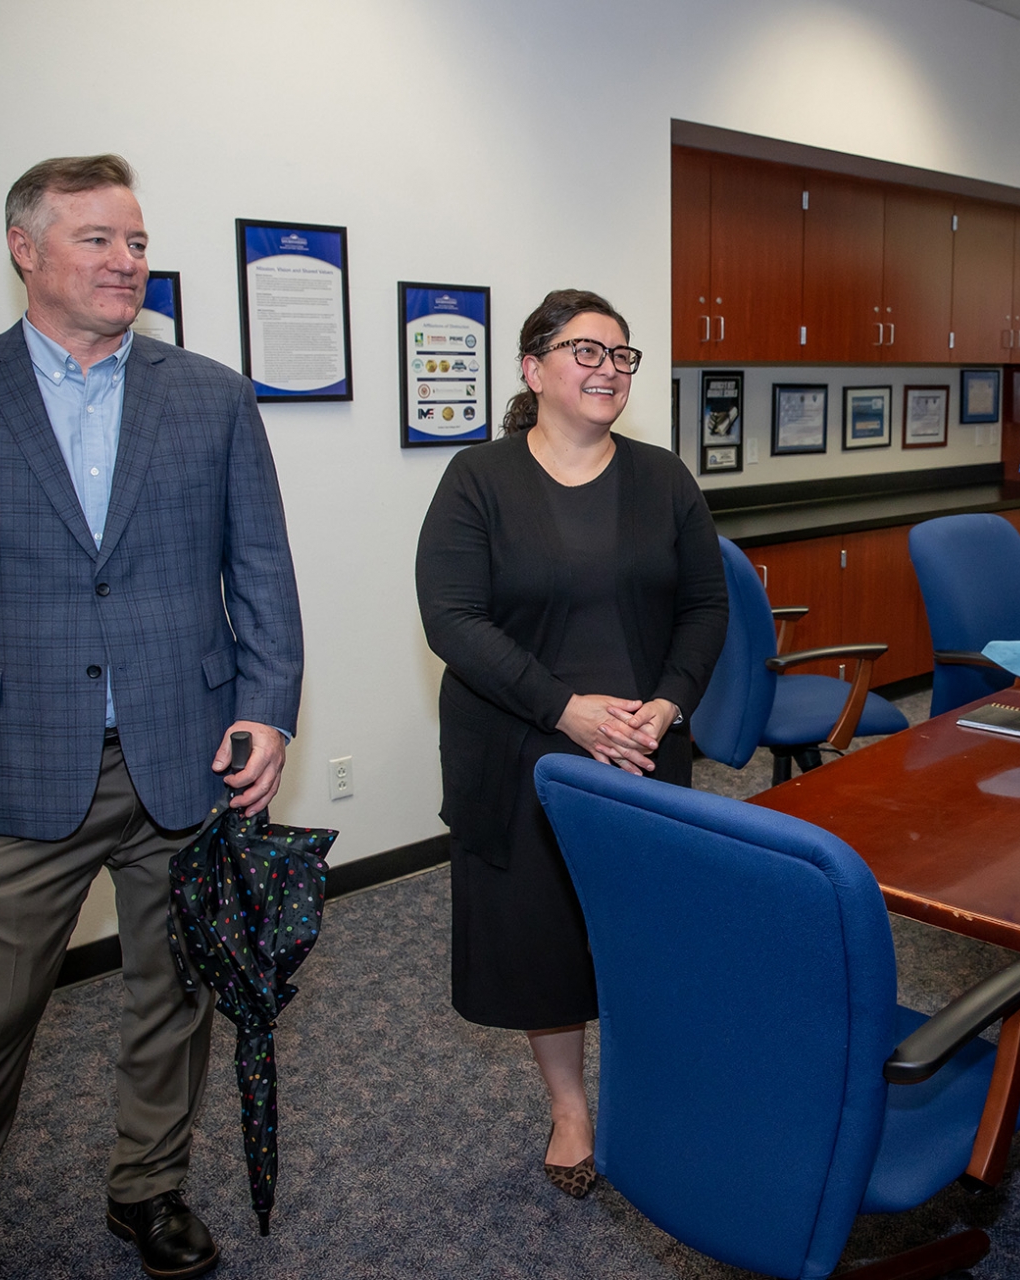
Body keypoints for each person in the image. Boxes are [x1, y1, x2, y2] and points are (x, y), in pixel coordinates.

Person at [0, 154, 304, 1280]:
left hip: (186, 750)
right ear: (27, 248)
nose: (126, 261)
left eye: (138, 241)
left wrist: (268, 709)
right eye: (98, 238)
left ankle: (147, 1187)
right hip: (14, 759)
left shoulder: (208, 394)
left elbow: (262, 571)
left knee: (177, 992)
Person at [415, 289, 727, 1198]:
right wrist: (567, 711)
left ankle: (653, 1091)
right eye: (586, 350)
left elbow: (706, 608)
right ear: (533, 368)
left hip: (642, 753)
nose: (608, 369)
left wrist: (666, 707)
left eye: (622, 356)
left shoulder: (665, 478)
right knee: (541, 936)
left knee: (643, 933)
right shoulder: (479, 479)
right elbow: (453, 620)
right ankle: (569, 1110)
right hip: (522, 752)